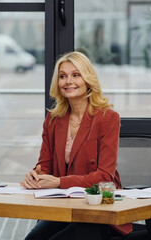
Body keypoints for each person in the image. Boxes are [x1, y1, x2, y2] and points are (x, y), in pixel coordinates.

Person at [21, 51, 132, 239]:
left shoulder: (107, 118)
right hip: (64, 206)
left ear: (88, 79)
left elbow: (104, 176)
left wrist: (58, 182)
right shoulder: (53, 119)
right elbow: (45, 165)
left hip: (97, 209)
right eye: (62, 76)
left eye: (76, 75)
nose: (68, 81)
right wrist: (36, 175)